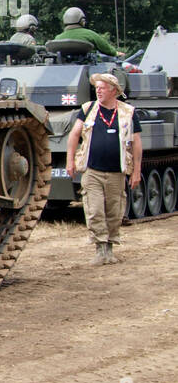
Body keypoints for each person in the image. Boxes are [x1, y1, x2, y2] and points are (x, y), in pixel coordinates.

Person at [65, 72, 142, 264]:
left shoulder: (128, 112)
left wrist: (137, 171)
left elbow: (136, 143)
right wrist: (70, 160)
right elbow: (74, 135)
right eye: (96, 88)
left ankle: (110, 248)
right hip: (93, 171)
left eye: (102, 88)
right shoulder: (88, 109)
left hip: (117, 171)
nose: (98, 91)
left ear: (113, 91)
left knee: (114, 212)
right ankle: (100, 249)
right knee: (95, 210)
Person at [54, 7, 124, 57]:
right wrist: (116, 53)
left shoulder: (58, 38)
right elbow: (106, 48)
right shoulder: (89, 34)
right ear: (82, 21)